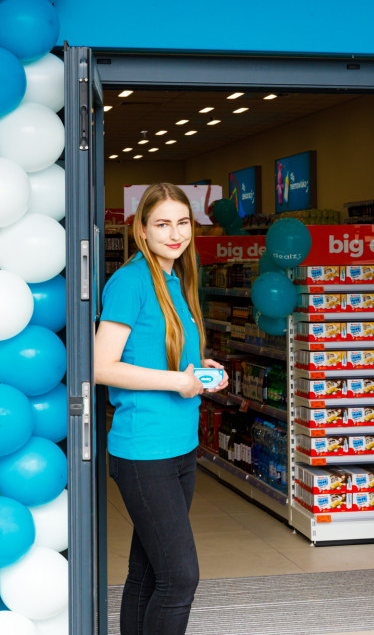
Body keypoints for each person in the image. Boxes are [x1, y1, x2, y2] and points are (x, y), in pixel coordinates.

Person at [94, 182, 228, 635]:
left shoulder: (176, 280)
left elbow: (160, 355)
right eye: (163, 224)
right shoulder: (131, 281)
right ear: (142, 231)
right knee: (180, 577)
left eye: (183, 223)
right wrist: (178, 382)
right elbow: (101, 365)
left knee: (148, 572)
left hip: (180, 446)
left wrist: (202, 371)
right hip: (144, 450)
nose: (175, 234)